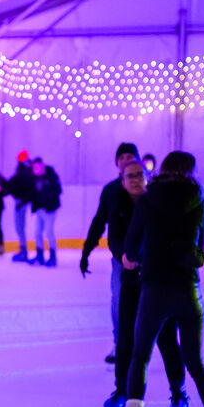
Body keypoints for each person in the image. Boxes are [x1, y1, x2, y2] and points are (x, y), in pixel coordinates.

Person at [120, 150, 204, 407]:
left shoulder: (148, 199)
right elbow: (201, 247)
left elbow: (131, 245)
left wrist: (131, 259)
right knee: (194, 361)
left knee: (141, 356)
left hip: (154, 288)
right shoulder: (199, 199)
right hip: (187, 289)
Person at [104, 160, 188, 407]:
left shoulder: (159, 201)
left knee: (165, 340)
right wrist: (123, 255)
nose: (136, 179)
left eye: (140, 174)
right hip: (132, 281)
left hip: (159, 283)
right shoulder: (118, 202)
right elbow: (114, 237)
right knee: (126, 340)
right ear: (122, 179)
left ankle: (178, 392)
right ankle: (121, 390)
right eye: (130, 175)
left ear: (148, 176)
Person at [82, 142, 141, 363]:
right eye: (122, 156)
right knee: (119, 300)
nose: (126, 159)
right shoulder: (111, 191)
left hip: (148, 257)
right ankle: (119, 344)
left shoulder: (149, 189)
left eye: (130, 155)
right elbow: (99, 221)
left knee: (147, 301)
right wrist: (87, 250)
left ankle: (141, 345)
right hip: (121, 257)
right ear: (117, 162)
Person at [29, 157, 62, 266]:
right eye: (34, 168)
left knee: (49, 232)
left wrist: (47, 199)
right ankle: (40, 255)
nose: (35, 169)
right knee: (37, 232)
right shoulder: (34, 178)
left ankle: (53, 257)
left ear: (42, 166)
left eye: (37, 167)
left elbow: (58, 190)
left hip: (50, 210)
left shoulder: (51, 176)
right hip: (40, 209)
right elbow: (33, 194)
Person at [6, 151, 34, 262]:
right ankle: (23, 250)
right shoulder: (26, 169)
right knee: (19, 227)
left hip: (21, 202)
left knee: (19, 227)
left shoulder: (25, 170)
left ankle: (23, 252)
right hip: (22, 201)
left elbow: (19, 183)